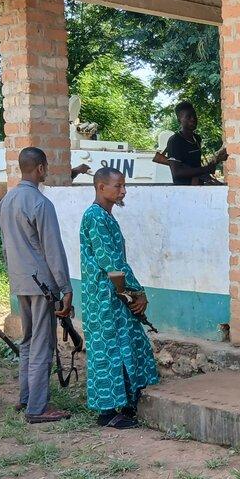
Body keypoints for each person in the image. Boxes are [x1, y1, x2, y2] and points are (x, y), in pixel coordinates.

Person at [79, 167, 158, 429]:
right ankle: (107, 412)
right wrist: (136, 291)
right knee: (108, 352)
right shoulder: (96, 217)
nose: (123, 191)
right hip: (103, 297)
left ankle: (126, 403)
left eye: (124, 186)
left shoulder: (105, 216)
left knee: (129, 343)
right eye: (118, 186)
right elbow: (110, 262)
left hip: (113, 294)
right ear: (101, 187)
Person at [0, 147, 73, 424]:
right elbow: (53, 250)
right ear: (40, 168)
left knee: (28, 341)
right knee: (42, 343)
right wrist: (65, 287)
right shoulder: (40, 203)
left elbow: (7, 249)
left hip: (20, 281)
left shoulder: (6, 201)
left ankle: (26, 397)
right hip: (42, 283)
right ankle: (38, 408)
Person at [154, 101, 227, 185]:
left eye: (194, 116)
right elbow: (177, 172)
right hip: (185, 190)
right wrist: (206, 169)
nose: (193, 119)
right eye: (188, 117)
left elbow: (195, 166)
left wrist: (217, 159)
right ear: (179, 120)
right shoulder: (175, 140)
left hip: (198, 185)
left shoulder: (197, 138)